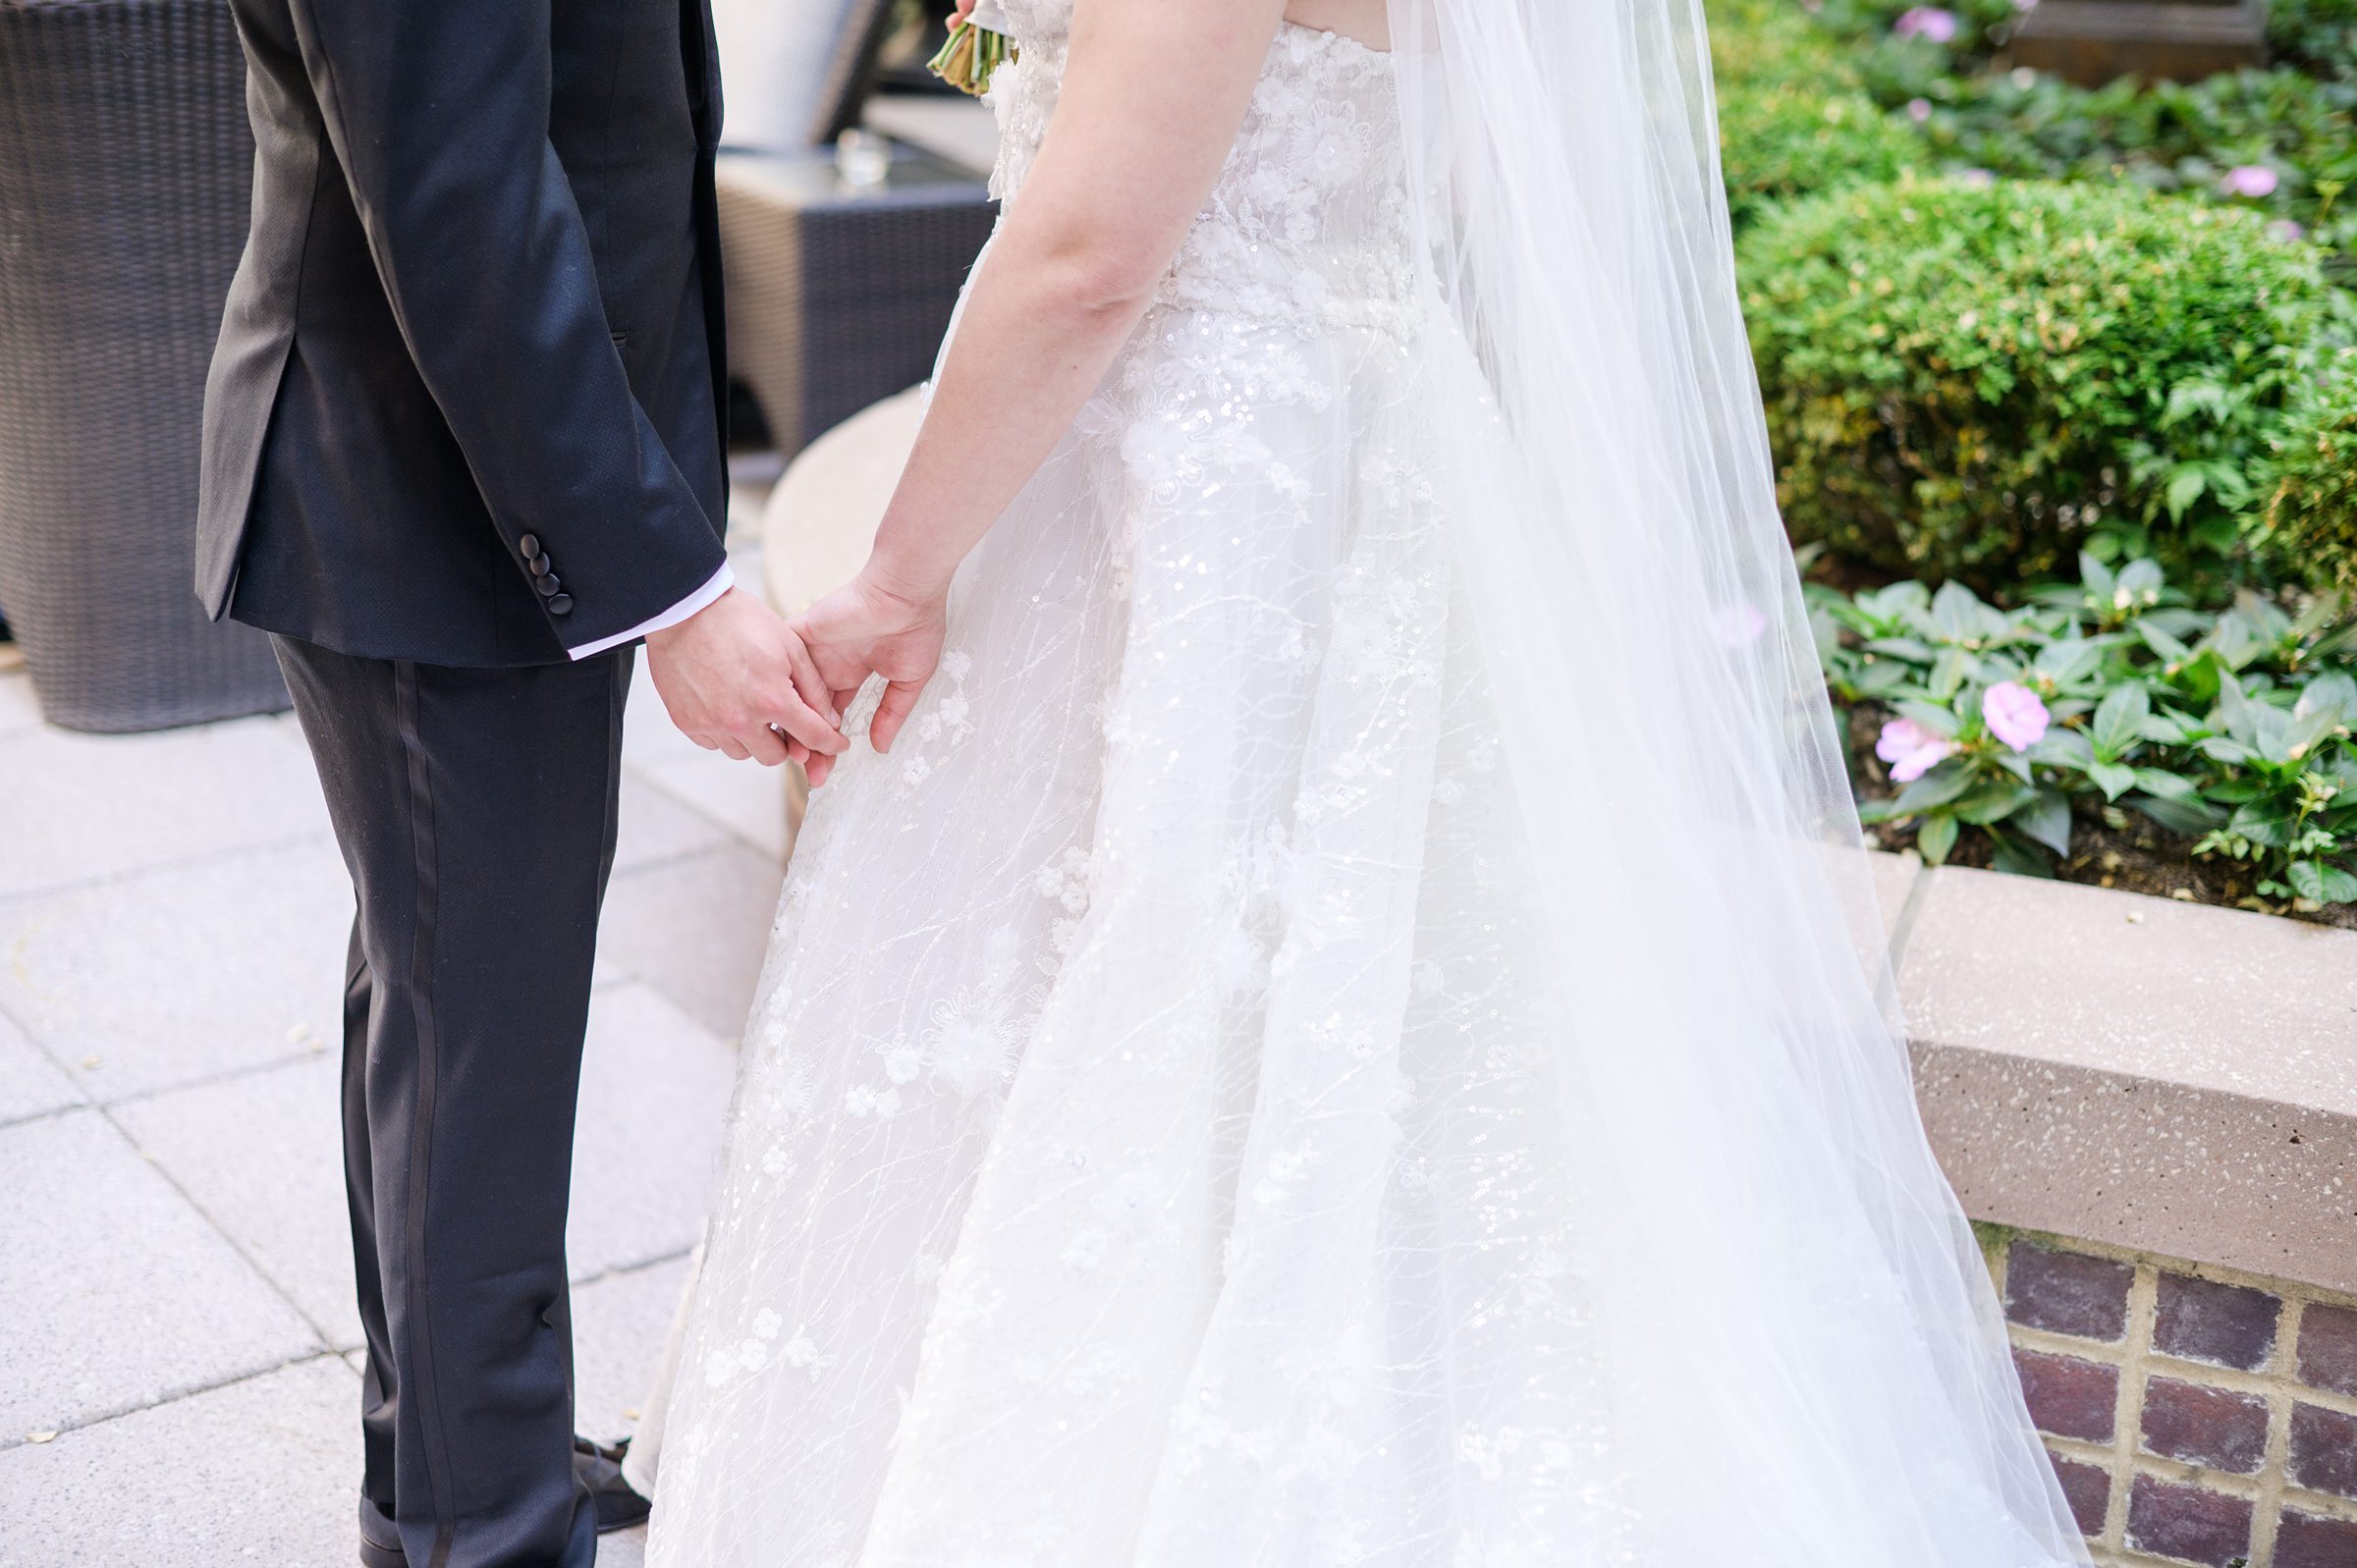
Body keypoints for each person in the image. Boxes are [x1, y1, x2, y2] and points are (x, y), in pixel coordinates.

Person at [640, 0, 2095, 1562]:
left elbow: (1091, 257)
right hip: (1357, 449)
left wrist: (898, 578)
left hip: (1200, 499)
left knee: (1164, 999)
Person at [194, 1, 843, 1563]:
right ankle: (479, 1526)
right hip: (435, 496)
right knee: (478, 1017)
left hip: (459, 469)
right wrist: (669, 587)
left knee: (439, 985)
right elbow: (457, 189)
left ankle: (447, 1459)